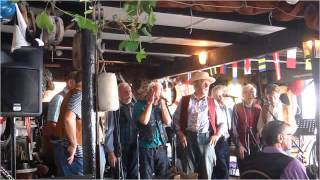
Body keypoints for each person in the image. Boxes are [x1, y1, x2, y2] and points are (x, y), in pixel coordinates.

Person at [173, 71, 217, 179]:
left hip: (206, 138)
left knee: (206, 170)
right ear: (196, 84)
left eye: (208, 83)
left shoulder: (212, 101)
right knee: (187, 172)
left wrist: (217, 135)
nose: (207, 85)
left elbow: (223, 122)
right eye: (204, 82)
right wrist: (180, 133)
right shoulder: (185, 100)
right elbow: (175, 120)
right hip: (188, 138)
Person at [240, 120, 309, 179]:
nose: (292, 138)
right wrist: (299, 166)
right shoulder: (293, 165)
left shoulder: (247, 161)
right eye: (290, 134)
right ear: (280, 138)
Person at [42, 71, 78, 176]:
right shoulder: (59, 99)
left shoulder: (72, 98)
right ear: (70, 83)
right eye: (79, 83)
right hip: (62, 146)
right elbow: (51, 126)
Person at [133, 81, 171, 179]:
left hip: (161, 147)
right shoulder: (139, 105)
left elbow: (167, 121)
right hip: (146, 148)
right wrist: (150, 103)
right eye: (155, 93)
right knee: (147, 176)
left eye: (159, 93)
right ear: (149, 92)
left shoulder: (160, 104)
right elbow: (144, 121)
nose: (157, 97)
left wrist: (162, 103)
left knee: (163, 176)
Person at [105, 82, 138, 179]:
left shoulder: (135, 107)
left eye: (130, 91)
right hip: (119, 150)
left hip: (134, 149)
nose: (129, 94)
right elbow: (109, 131)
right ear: (118, 94)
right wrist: (110, 152)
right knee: (120, 176)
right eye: (125, 92)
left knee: (134, 176)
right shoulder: (114, 109)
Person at [55, 71, 83, 176]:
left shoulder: (69, 94)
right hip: (76, 154)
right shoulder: (80, 95)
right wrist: (73, 144)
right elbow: (68, 119)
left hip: (68, 151)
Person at [231, 84, 261, 169]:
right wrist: (239, 145)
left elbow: (261, 127)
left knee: (256, 170)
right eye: (249, 93)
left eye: (253, 93)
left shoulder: (258, 108)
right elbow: (233, 129)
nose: (252, 95)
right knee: (244, 170)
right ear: (243, 94)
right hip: (242, 145)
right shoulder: (237, 107)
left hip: (256, 145)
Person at [211, 85, 232, 179]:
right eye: (221, 95)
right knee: (221, 166)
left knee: (226, 163)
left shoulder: (227, 107)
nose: (223, 97)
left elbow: (231, 121)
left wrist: (226, 106)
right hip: (218, 139)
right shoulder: (213, 107)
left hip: (227, 139)